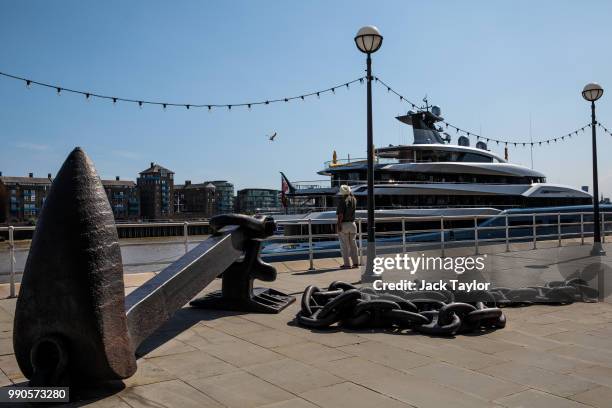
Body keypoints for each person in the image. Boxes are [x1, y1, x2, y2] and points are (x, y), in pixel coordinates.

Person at [337, 185, 359, 268]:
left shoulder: (342, 201)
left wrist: (339, 225)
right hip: (353, 224)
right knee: (353, 245)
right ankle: (356, 263)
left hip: (344, 224)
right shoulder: (354, 199)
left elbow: (340, 215)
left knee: (344, 246)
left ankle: (347, 264)